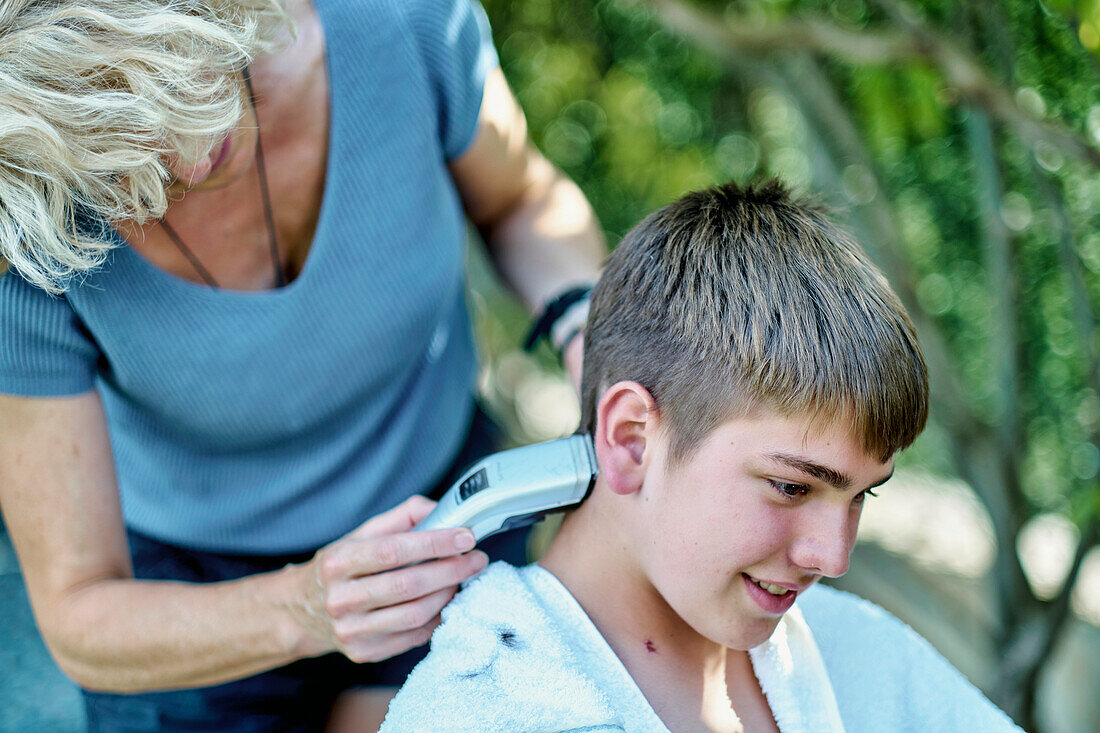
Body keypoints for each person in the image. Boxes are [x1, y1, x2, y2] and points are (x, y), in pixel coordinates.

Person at [0, 0, 603, 730]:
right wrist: (303, 607)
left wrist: (589, 338)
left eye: (196, 91)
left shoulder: (401, 24)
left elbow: (522, 202)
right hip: (189, 598)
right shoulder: (29, 245)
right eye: (127, 161)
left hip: (447, 510)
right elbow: (78, 612)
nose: (190, 160)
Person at [381, 180, 1024, 732]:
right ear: (632, 438)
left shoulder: (858, 654)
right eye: (792, 488)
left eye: (861, 495)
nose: (833, 558)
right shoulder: (480, 710)